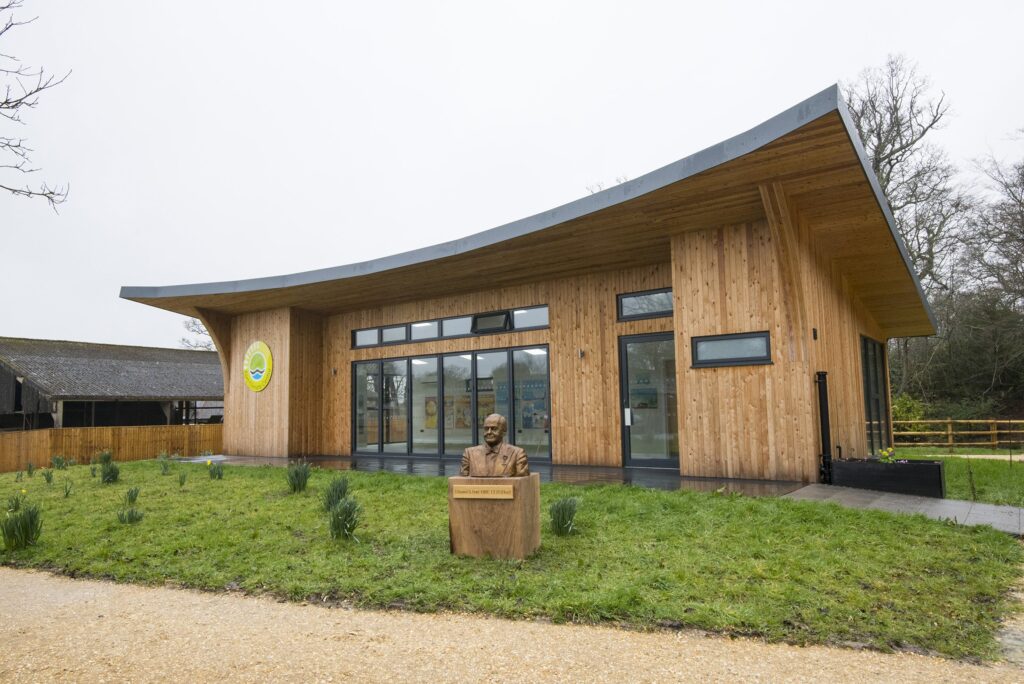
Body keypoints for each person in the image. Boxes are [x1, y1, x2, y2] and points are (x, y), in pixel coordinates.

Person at [460, 413, 529, 477]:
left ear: (503, 432)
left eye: (494, 429)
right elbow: (461, 481)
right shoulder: (469, 454)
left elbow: (521, 481)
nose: (489, 432)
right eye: (486, 429)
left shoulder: (517, 454)